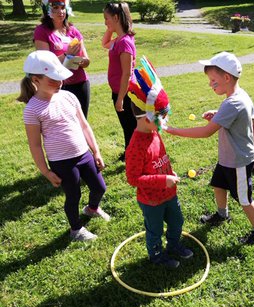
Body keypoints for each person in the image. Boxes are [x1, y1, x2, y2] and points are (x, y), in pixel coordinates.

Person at [165, 52, 254, 245]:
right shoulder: (238, 95)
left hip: (238, 160)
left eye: (213, 80)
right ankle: (222, 215)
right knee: (218, 185)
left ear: (227, 77)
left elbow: (207, 132)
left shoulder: (234, 102)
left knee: (244, 199)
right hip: (228, 157)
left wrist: (173, 131)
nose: (210, 84)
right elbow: (238, 115)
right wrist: (218, 113)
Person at [17, 50, 110, 242]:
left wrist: (96, 151)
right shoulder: (32, 109)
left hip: (84, 154)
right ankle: (76, 229)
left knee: (100, 187)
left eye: (60, 78)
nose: (59, 83)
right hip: (62, 162)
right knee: (73, 195)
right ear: (36, 79)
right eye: (53, 80)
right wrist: (46, 172)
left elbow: (84, 125)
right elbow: (35, 145)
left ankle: (92, 208)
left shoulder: (68, 97)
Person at [125, 104, 193, 268]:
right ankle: (156, 256)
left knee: (177, 222)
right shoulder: (135, 146)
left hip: (169, 194)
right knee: (155, 231)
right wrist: (162, 180)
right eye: (162, 117)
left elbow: (159, 160)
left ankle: (173, 245)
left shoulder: (154, 132)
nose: (165, 120)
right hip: (151, 201)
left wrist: (170, 172)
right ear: (148, 118)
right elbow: (133, 179)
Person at [34, 0, 91, 118]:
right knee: (64, 126)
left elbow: (87, 61)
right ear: (48, 10)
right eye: (55, 7)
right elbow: (45, 64)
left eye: (63, 7)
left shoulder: (72, 30)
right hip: (57, 86)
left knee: (82, 124)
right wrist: (67, 55)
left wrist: (79, 60)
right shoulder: (42, 31)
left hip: (80, 83)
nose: (60, 11)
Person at [102, 2, 137, 161]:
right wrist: (110, 29)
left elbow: (126, 74)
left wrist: (120, 98)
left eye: (107, 19)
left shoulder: (124, 43)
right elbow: (104, 44)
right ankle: (130, 153)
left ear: (116, 17)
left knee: (130, 126)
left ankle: (132, 155)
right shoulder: (119, 40)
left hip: (125, 94)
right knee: (127, 126)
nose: (105, 22)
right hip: (119, 92)